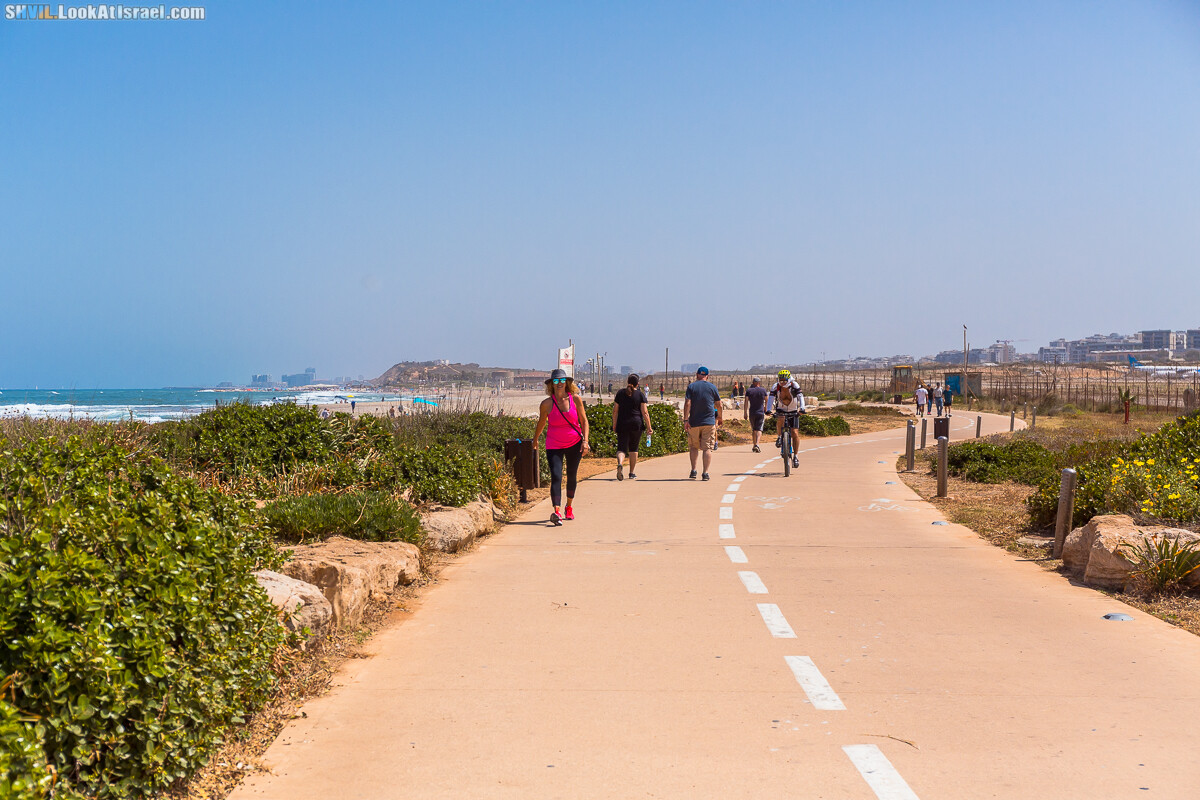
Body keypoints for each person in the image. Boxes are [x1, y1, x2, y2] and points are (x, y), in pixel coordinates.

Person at [533, 369, 591, 525]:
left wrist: (585, 441)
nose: (559, 383)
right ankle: (557, 511)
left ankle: (569, 507)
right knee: (556, 476)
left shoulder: (575, 399)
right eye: (556, 381)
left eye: (562, 380)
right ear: (551, 384)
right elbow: (541, 423)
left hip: (574, 443)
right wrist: (535, 439)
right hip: (554, 444)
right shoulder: (546, 404)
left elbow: (584, 421)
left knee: (572, 475)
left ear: (567, 382)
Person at [683, 366, 722, 480]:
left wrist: (685, 420)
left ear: (697, 375)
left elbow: (687, 403)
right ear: (708, 376)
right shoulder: (712, 387)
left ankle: (693, 470)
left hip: (694, 422)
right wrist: (720, 417)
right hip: (709, 422)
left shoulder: (691, 387)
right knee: (707, 448)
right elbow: (719, 404)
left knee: (693, 447)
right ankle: (705, 473)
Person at [611, 374, 652, 481]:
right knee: (634, 448)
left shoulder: (620, 393)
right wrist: (649, 427)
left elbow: (615, 411)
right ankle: (631, 473)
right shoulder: (640, 395)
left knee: (621, 448)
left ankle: (620, 463)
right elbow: (645, 412)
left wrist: (614, 424)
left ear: (627, 382)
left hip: (622, 423)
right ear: (637, 384)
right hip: (636, 424)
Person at [769, 370, 806, 469]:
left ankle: (796, 456)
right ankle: (779, 437)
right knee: (780, 419)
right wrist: (768, 410)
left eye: (784, 381)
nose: (782, 383)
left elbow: (800, 397)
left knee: (795, 433)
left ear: (788, 379)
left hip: (793, 410)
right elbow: (771, 398)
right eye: (781, 381)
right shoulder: (776, 386)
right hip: (781, 409)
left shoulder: (794, 385)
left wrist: (802, 408)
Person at [743, 376, 768, 453]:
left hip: (752, 412)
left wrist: (745, 413)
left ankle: (754, 445)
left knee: (754, 430)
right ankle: (757, 444)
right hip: (760, 412)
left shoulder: (749, 390)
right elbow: (767, 400)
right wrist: (765, 408)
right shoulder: (763, 390)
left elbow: (746, 402)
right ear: (759, 383)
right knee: (759, 429)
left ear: (753, 383)